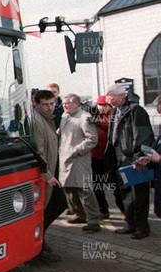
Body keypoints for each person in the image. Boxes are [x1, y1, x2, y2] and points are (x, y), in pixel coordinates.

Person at [106, 85, 154, 239]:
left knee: (139, 194)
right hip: (119, 159)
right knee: (126, 194)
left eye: (111, 96)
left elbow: (143, 134)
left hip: (134, 159)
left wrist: (139, 157)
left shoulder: (135, 110)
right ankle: (130, 224)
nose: (109, 99)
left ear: (122, 96)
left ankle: (142, 227)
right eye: (108, 96)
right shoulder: (115, 111)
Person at [58, 93, 100, 232]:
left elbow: (92, 139)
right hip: (65, 159)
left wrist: (75, 151)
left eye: (67, 103)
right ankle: (79, 214)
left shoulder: (84, 117)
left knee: (85, 190)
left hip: (79, 160)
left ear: (77, 103)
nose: (64, 105)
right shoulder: (65, 116)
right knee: (69, 189)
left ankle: (93, 220)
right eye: (63, 103)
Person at [33, 90, 66, 261]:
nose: (50, 107)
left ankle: (40, 242)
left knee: (55, 205)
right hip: (47, 176)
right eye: (45, 104)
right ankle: (37, 244)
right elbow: (39, 151)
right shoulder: (38, 122)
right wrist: (47, 175)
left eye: (52, 103)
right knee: (58, 203)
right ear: (37, 104)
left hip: (52, 172)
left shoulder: (47, 120)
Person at [90, 96, 112, 219]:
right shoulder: (95, 117)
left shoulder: (113, 116)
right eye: (100, 105)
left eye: (105, 105)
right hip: (96, 156)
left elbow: (109, 126)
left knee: (115, 185)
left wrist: (98, 122)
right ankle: (103, 209)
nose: (102, 107)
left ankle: (125, 211)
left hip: (109, 157)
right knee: (97, 184)